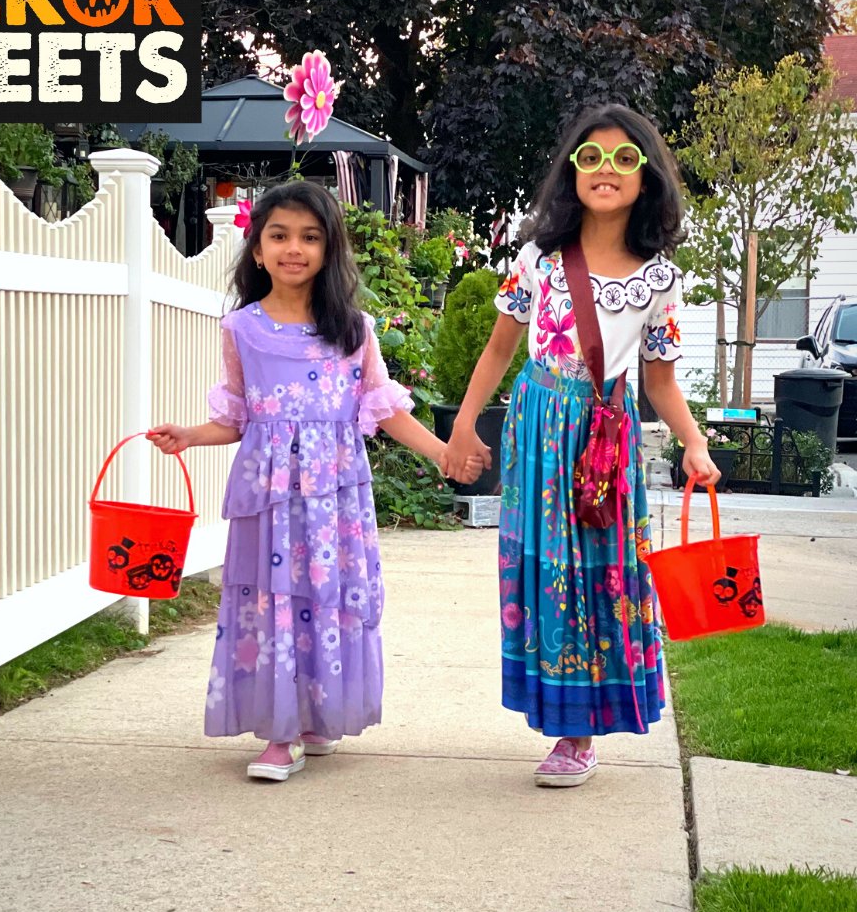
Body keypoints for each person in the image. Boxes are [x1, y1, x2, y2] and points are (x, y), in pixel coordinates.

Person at [149, 182, 482, 782]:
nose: (293, 248)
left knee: (326, 599)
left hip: (334, 500)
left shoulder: (353, 330)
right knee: (273, 601)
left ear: (330, 250)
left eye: (310, 236)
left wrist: (442, 454)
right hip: (270, 498)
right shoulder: (241, 329)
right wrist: (190, 435)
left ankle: (313, 718)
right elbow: (236, 418)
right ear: (256, 249)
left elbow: (384, 410)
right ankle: (279, 733)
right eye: (278, 235)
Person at [442, 104, 720, 787]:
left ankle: (579, 735)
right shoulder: (537, 257)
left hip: (602, 439)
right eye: (590, 157)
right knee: (546, 573)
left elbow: (659, 380)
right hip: (536, 428)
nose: (605, 170)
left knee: (601, 572)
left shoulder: (659, 278)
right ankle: (557, 714)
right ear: (572, 170)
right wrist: (464, 422)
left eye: (624, 159)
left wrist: (694, 443)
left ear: (646, 177)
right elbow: (499, 346)